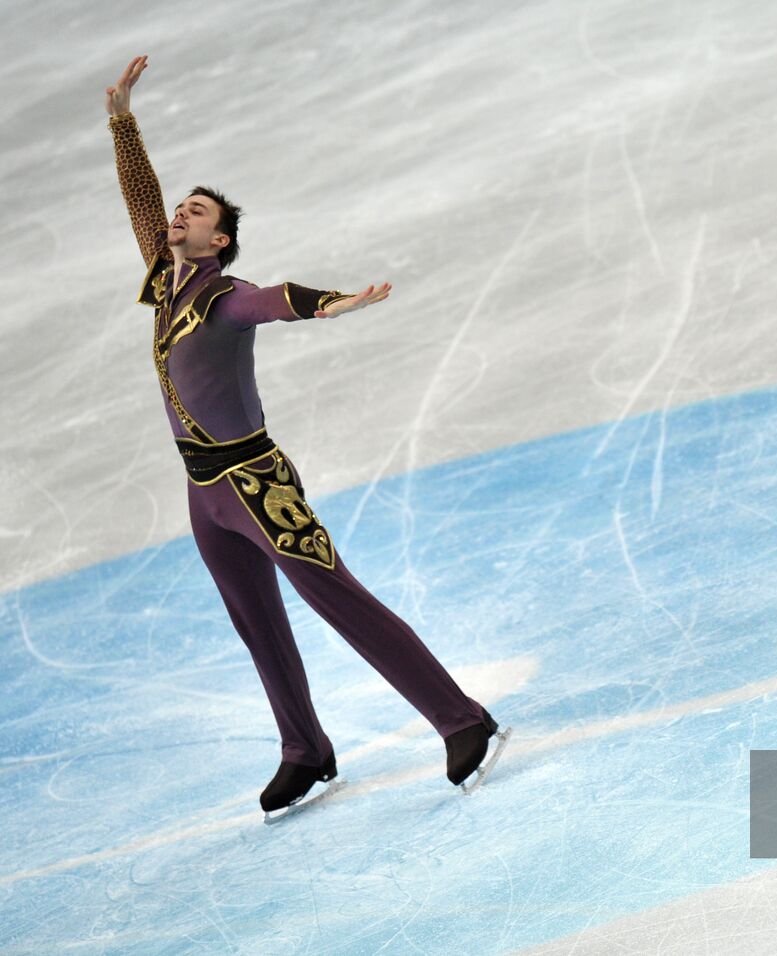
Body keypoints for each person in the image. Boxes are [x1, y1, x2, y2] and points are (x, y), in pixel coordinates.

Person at [104, 56, 509, 818]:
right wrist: (122, 120)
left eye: (197, 213)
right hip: (202, 491)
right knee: (254, 622)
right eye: (181, 209)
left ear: (221, 241)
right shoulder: (164, 282)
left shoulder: (224, 296)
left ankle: (461, 719)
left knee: (338, 599)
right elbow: (139, 199)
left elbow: (273, 300)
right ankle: (305, 749)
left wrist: (332, 305)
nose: (180, 216)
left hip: (256, 486)